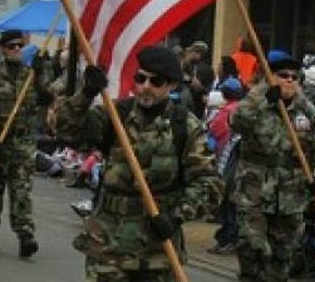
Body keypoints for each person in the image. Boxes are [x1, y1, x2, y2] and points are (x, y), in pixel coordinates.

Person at [51, 46, 215, 280]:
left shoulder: (184, 126)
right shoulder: (115, 115)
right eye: (141, 78)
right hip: (109, 245)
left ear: (171, 86)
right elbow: (67, 131)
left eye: (156, 81)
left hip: (157, 249)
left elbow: (208, 182)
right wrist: (86, 94)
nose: (146, 86)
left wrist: (177, 216)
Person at [227, 50, 315, 281]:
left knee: (281, 260)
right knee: (252, 252)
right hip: (254, 194)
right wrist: (263, 96)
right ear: (270, 77)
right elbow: (236, 122)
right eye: (283, 75)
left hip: (291, 198)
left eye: (294, 77)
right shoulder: (256, 102)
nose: (289, 80)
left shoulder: (306, 111)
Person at [0, 30, 45, 258]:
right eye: (11, 46)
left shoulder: (29, 75)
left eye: (19, 47)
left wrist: (42, 73)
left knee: (21, 190)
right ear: (2, 49)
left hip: (21, 143)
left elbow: (45, 99)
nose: (16, 50)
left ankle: (25, 236)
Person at [207, 78, 244, 255]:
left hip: (229, 160)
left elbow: (214, 132)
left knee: (228, 201)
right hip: (234, 160)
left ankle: (229, 238)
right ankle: (227, 238)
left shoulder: (226, 111)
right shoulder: (241, 108)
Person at [183, 41, 215, 118]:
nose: (189, 54)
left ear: (198, 54)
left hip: (194, 106)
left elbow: (197, 85)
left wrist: (187, 78)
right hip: (201, 107)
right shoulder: (209, 68)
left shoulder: (198, 68)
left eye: (191, 52)